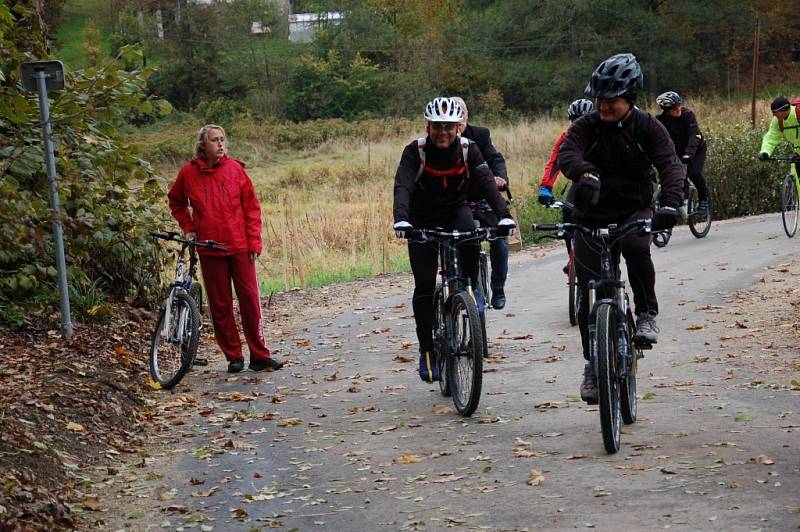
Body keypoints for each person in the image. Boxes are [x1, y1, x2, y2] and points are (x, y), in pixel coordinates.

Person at [557, 53, 683, 404]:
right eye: (599, 99)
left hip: (633, 208)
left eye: (611, 100)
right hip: (589, 212)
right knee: (586, 291)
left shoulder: (647, 127)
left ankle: (646, 313)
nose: (603, 106)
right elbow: (568, 153)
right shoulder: (587, 125)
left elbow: (670, 166)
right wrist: (584, 172)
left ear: (630, 98)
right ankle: (592, 365)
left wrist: (670, 204)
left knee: (636, 247)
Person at [393, 97, 516, 383]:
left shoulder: (468, 148)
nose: (443, 132)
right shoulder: (416, 151)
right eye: (437, 127)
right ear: (428, 126)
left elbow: (486, 180)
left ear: (457, 127)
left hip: (455, 211)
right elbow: (402, 184)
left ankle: (468, 295)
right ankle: (427, 351)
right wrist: (401, 219)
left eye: (448, 126)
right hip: (421, 217)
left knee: (471, 240)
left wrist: (503, 215)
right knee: (424, 285)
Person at [168, 124, 284, 374]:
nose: (220, 144)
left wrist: (254, 241)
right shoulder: (188, 173)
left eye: (222, 139)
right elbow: (176, 201)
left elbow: (252, 208)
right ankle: (233, 356)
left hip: (240, 246)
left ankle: (259, 355)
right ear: (203, 145)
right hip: (210, 249)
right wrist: (188, 226)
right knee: (220, 305)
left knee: (250, 301)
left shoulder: (236, 170)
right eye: (214, 140)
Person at [452, 96, 511, 309]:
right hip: (455, 200)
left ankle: (498, 286)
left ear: (467, 115)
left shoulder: (480, 135)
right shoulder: (439, 138)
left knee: (499, 239)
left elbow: (495, 159)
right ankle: (457, 282)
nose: (458, 119)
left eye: (462, 113)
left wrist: (500, 178)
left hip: (483, 196)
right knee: (455, 240)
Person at [538, 98, 595, 266]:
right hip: (579, 183)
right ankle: (573, 259)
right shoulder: (566, 137)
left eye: (582, 119)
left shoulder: (604, 133)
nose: (577, 124)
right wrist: (546, 188)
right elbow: (555, 162)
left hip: (605, 183)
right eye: (574, 120)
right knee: (568, 215)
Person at [655, 91, 710, 212]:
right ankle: (680, 202)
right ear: (666, 110)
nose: (679, 108)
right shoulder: (660, 121)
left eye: (679, 105)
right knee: (672, 175)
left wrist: (689, 154)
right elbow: (656, 140)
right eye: (675, 108)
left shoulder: (687, 115)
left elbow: (694, 135)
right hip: (676, 151)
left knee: (694, 173)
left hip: (696, 149)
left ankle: (703, 199)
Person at [758, 96, 800, 176]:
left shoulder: (798, 114)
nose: (773, 115)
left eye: (775, 112)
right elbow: (771, 137)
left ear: (783, 110)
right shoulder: (777, 121)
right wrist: (765, 152)